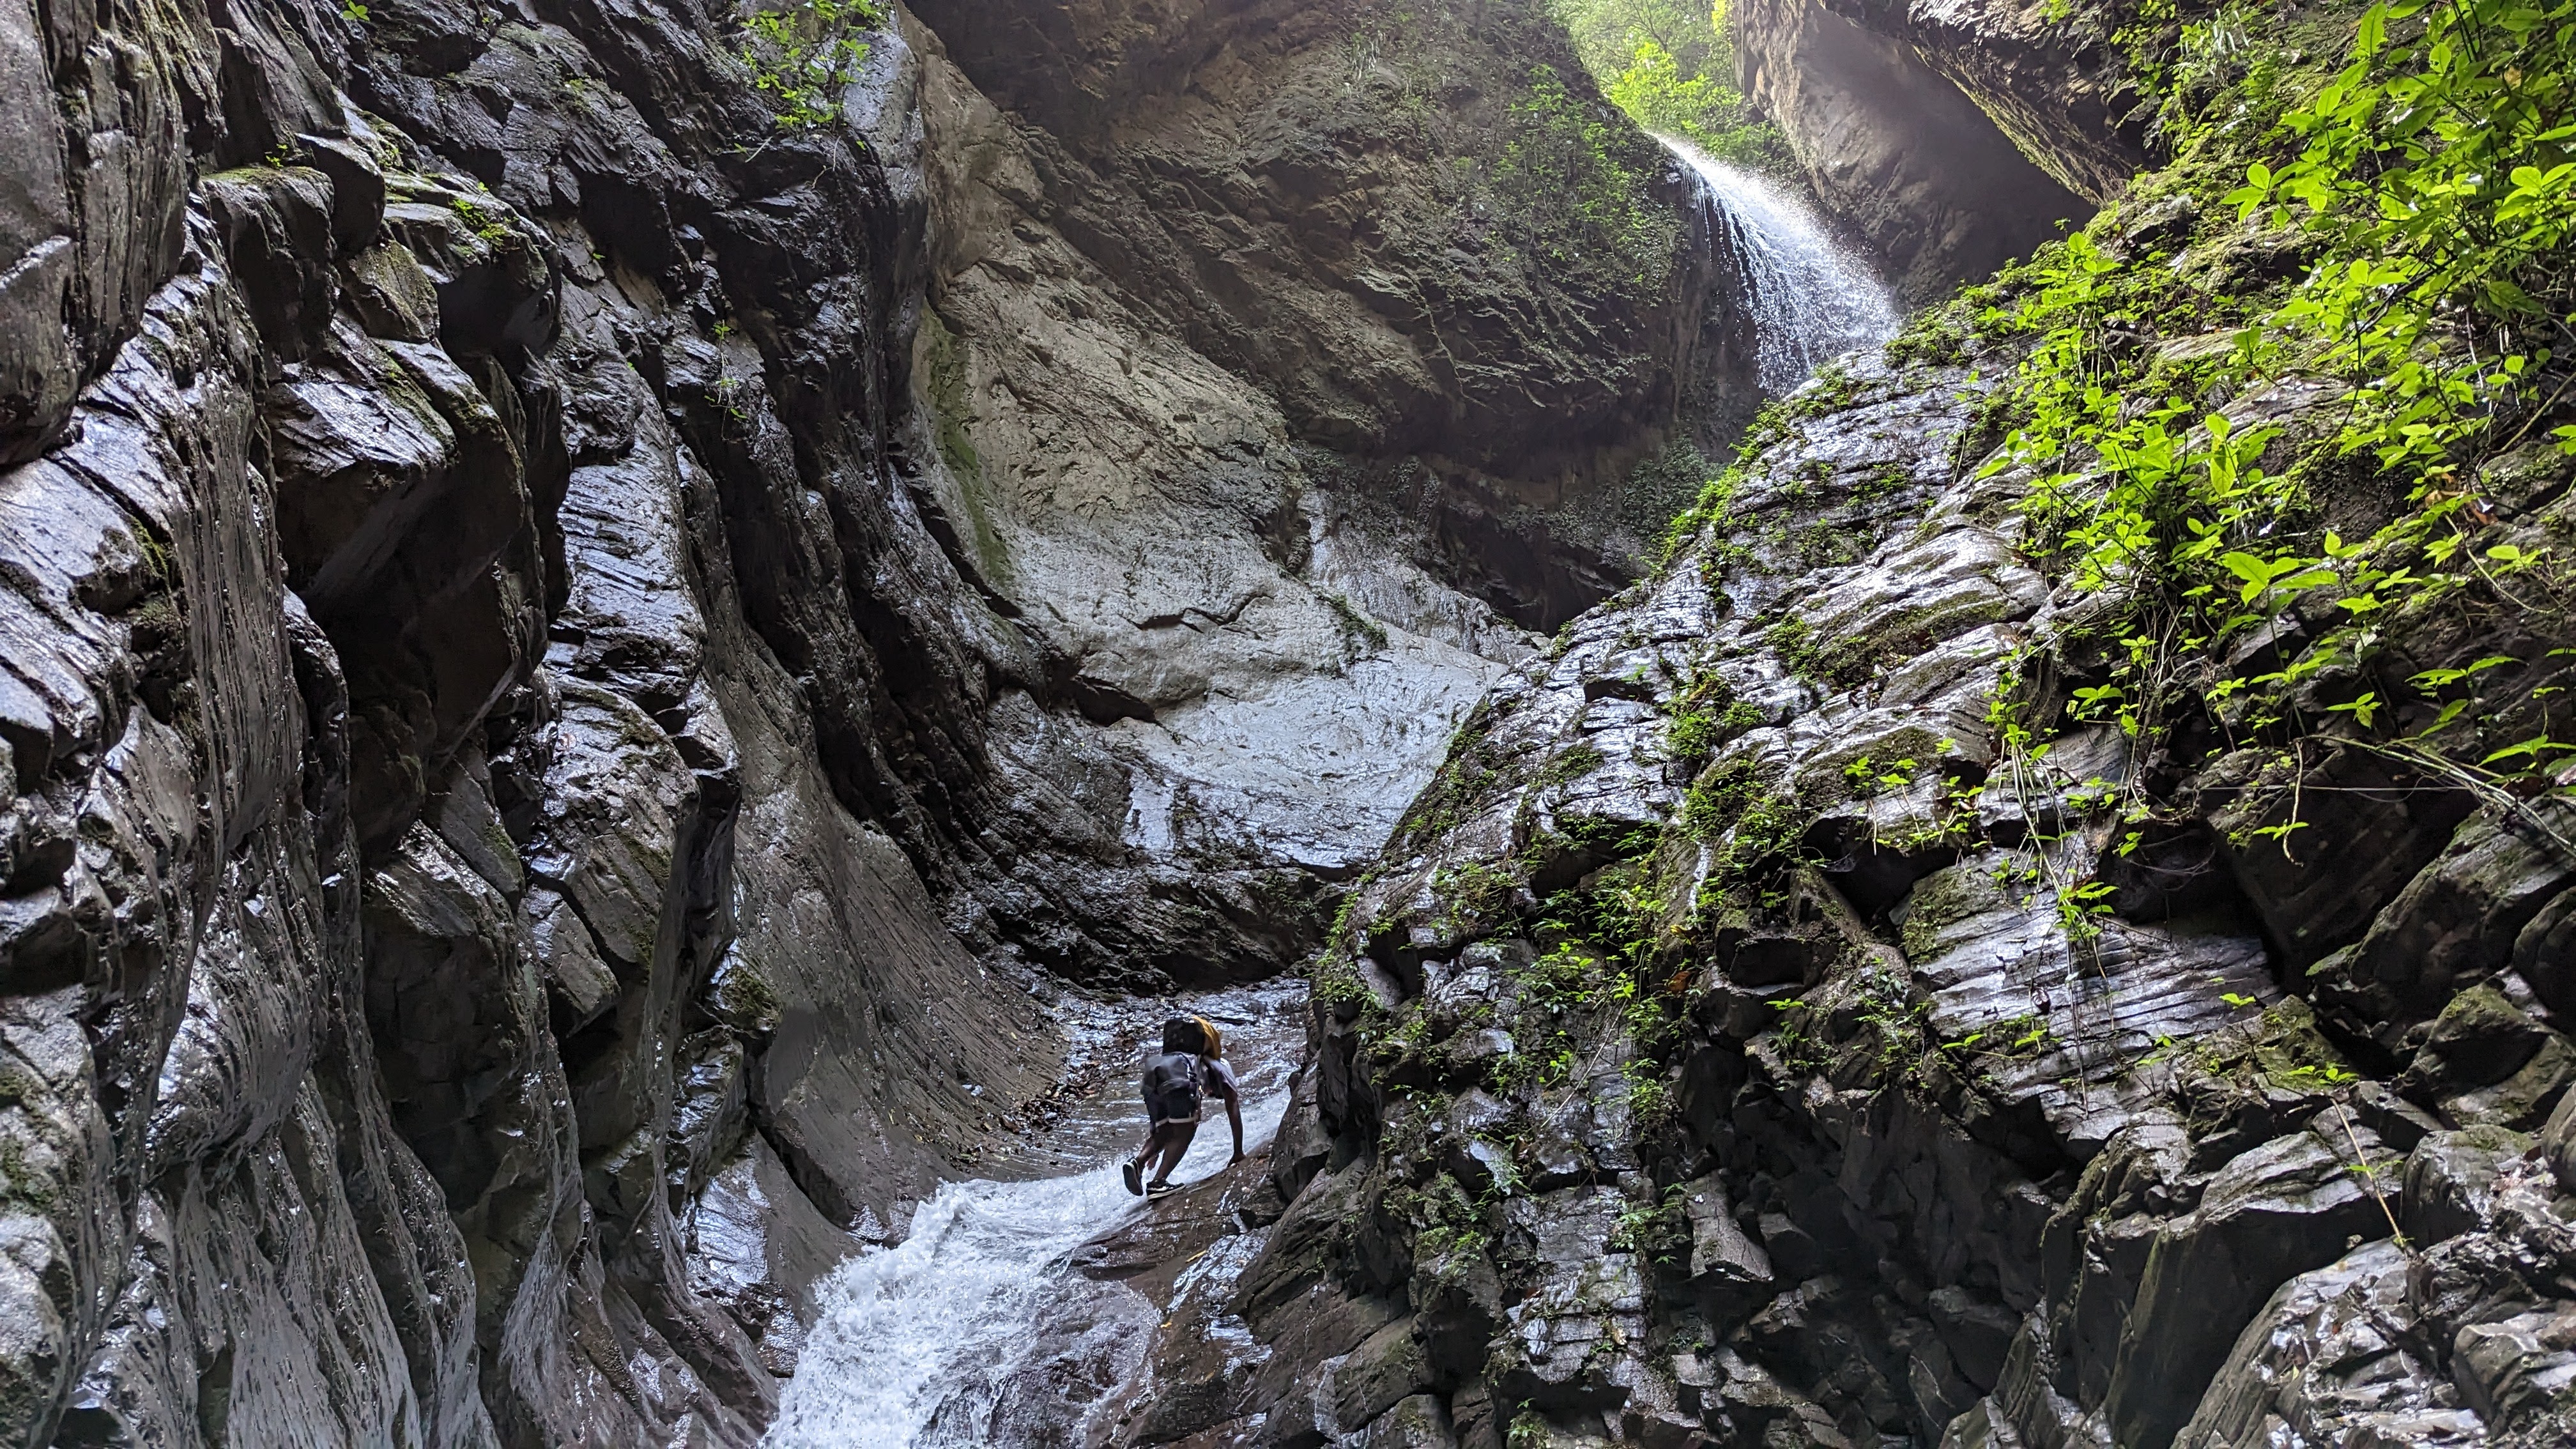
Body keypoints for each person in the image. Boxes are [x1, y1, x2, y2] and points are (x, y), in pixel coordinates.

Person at [1123, 1014, 1243, 1196]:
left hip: (1153, 1074)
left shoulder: (1170, 1058)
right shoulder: (1220, 1065)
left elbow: (1159, 1121)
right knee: (1185, 1131)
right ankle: (1158, 1182)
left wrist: (1154, 1149)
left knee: (1166, 1131)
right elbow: (1233, 1107)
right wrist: (1238, 1151)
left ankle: (1137, 1163)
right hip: (1181, 1078)